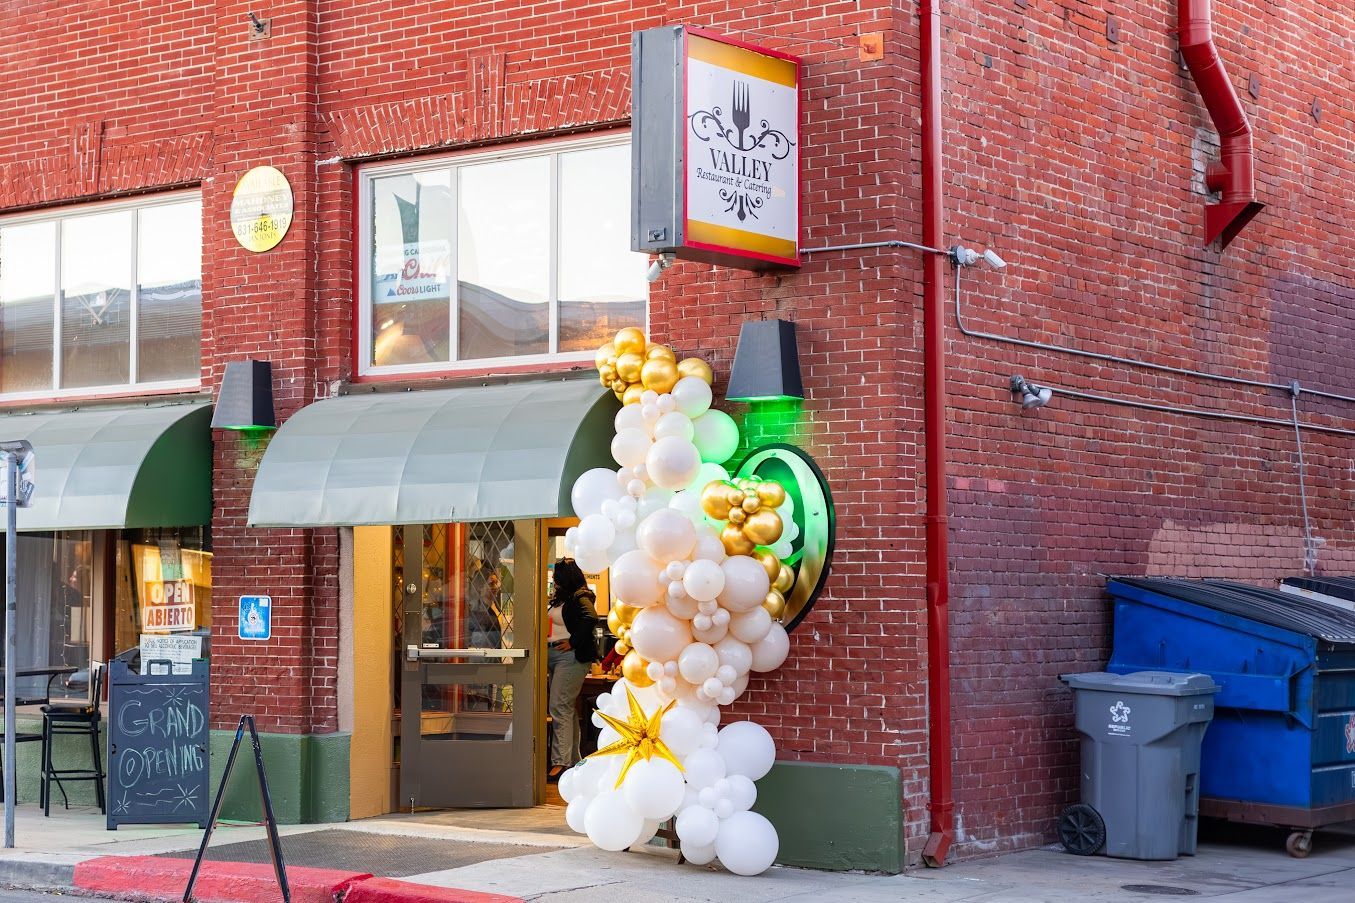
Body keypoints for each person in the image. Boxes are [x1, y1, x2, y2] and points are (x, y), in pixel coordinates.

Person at [546, 557, 599, 782]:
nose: (554, 582)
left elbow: (591, 617)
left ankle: (561, 762)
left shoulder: (581, 596)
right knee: (566, 708)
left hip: (569, 657)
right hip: (554, 655)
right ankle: (574, 759)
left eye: (556, 578)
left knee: (559, 706)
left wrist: (573, 642)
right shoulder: (562, 598)